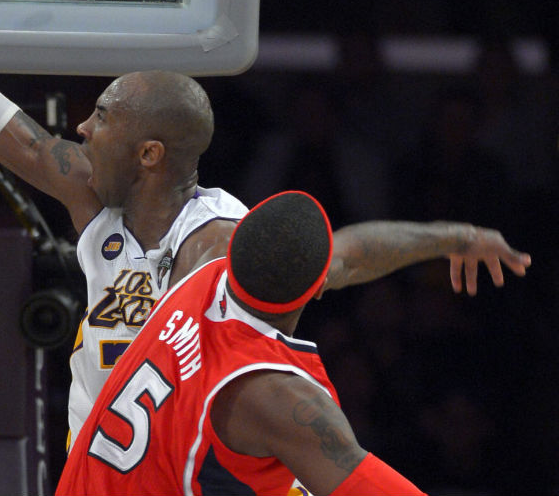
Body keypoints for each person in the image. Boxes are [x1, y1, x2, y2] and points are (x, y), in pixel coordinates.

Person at [0, 0, 532, 446]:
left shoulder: (220, 242)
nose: (82, 129)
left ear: (151, 153)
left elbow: (343, 257)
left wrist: (449, 236)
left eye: (103, 117)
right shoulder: (92, 197)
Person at [57, 191, 427, 496]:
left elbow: (349, 253)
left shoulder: (202, 272)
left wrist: (459, 238)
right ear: (319, 287)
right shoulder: (276, 395)